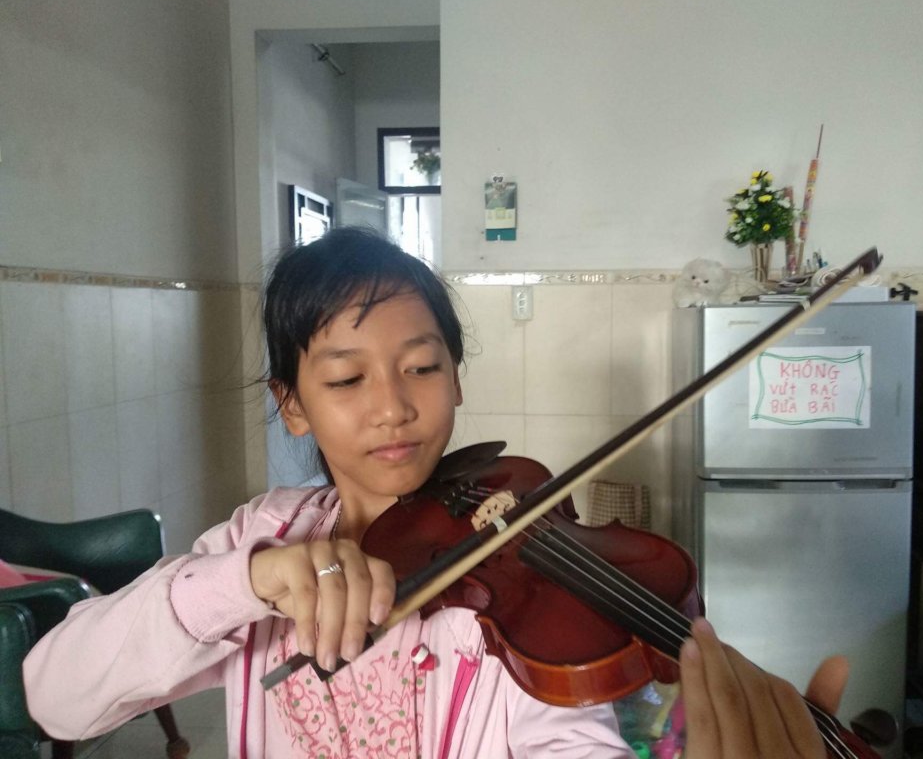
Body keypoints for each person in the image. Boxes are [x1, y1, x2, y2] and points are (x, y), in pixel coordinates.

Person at [25, 227, 848, 758]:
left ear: (456, 377)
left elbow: (572, 738)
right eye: (346, 379)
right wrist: (242, 583)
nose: (393, 406)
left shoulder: (512, 603)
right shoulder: (263, 540)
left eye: (422, 366)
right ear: (293, 404)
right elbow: (55, 696)